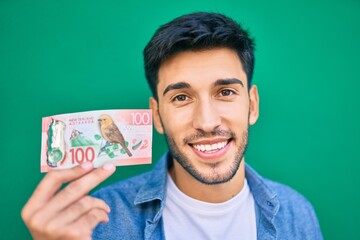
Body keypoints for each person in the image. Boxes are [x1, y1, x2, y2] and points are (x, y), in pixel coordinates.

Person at [22, 12, 323, 239]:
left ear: (252, 105)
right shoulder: (97, 220)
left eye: (226, 92)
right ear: (157, 116)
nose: (207, 122)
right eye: (181, 97)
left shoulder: (297, 213)